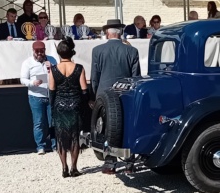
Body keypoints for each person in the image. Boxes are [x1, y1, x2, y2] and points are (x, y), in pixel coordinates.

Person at [48, 37, 88, 178]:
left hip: (60, 104)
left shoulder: (53, 69)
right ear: (72, 52)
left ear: (59, 53)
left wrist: (52, 107)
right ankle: (74, 168)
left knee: (61, 137)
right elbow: (84, 90)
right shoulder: (79, 68)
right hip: (75, 104)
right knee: (74, 137)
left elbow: (51, 90)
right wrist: (84, 107)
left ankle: (64, 167)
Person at [20, 41, 56, 154]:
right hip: (36, 96)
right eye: (37, 51)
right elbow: (22, 79)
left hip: (50, 95)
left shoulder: (52, 60)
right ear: (33, 51)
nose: (40, 53)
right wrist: (32, 82)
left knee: (53, 122)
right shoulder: (27, 63)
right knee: (39, 122)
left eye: (42, 51)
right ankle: (40, 146)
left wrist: (53, 68)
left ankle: (55, 145)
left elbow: (59, 75)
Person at [90, 19, 141, 97]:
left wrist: (95, 94)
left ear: (107, 33)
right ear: (121, 32)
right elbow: (136, 77)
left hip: (103, 94)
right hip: (125, 94)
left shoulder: (97, 50)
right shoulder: (132, 51)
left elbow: (94, 77)